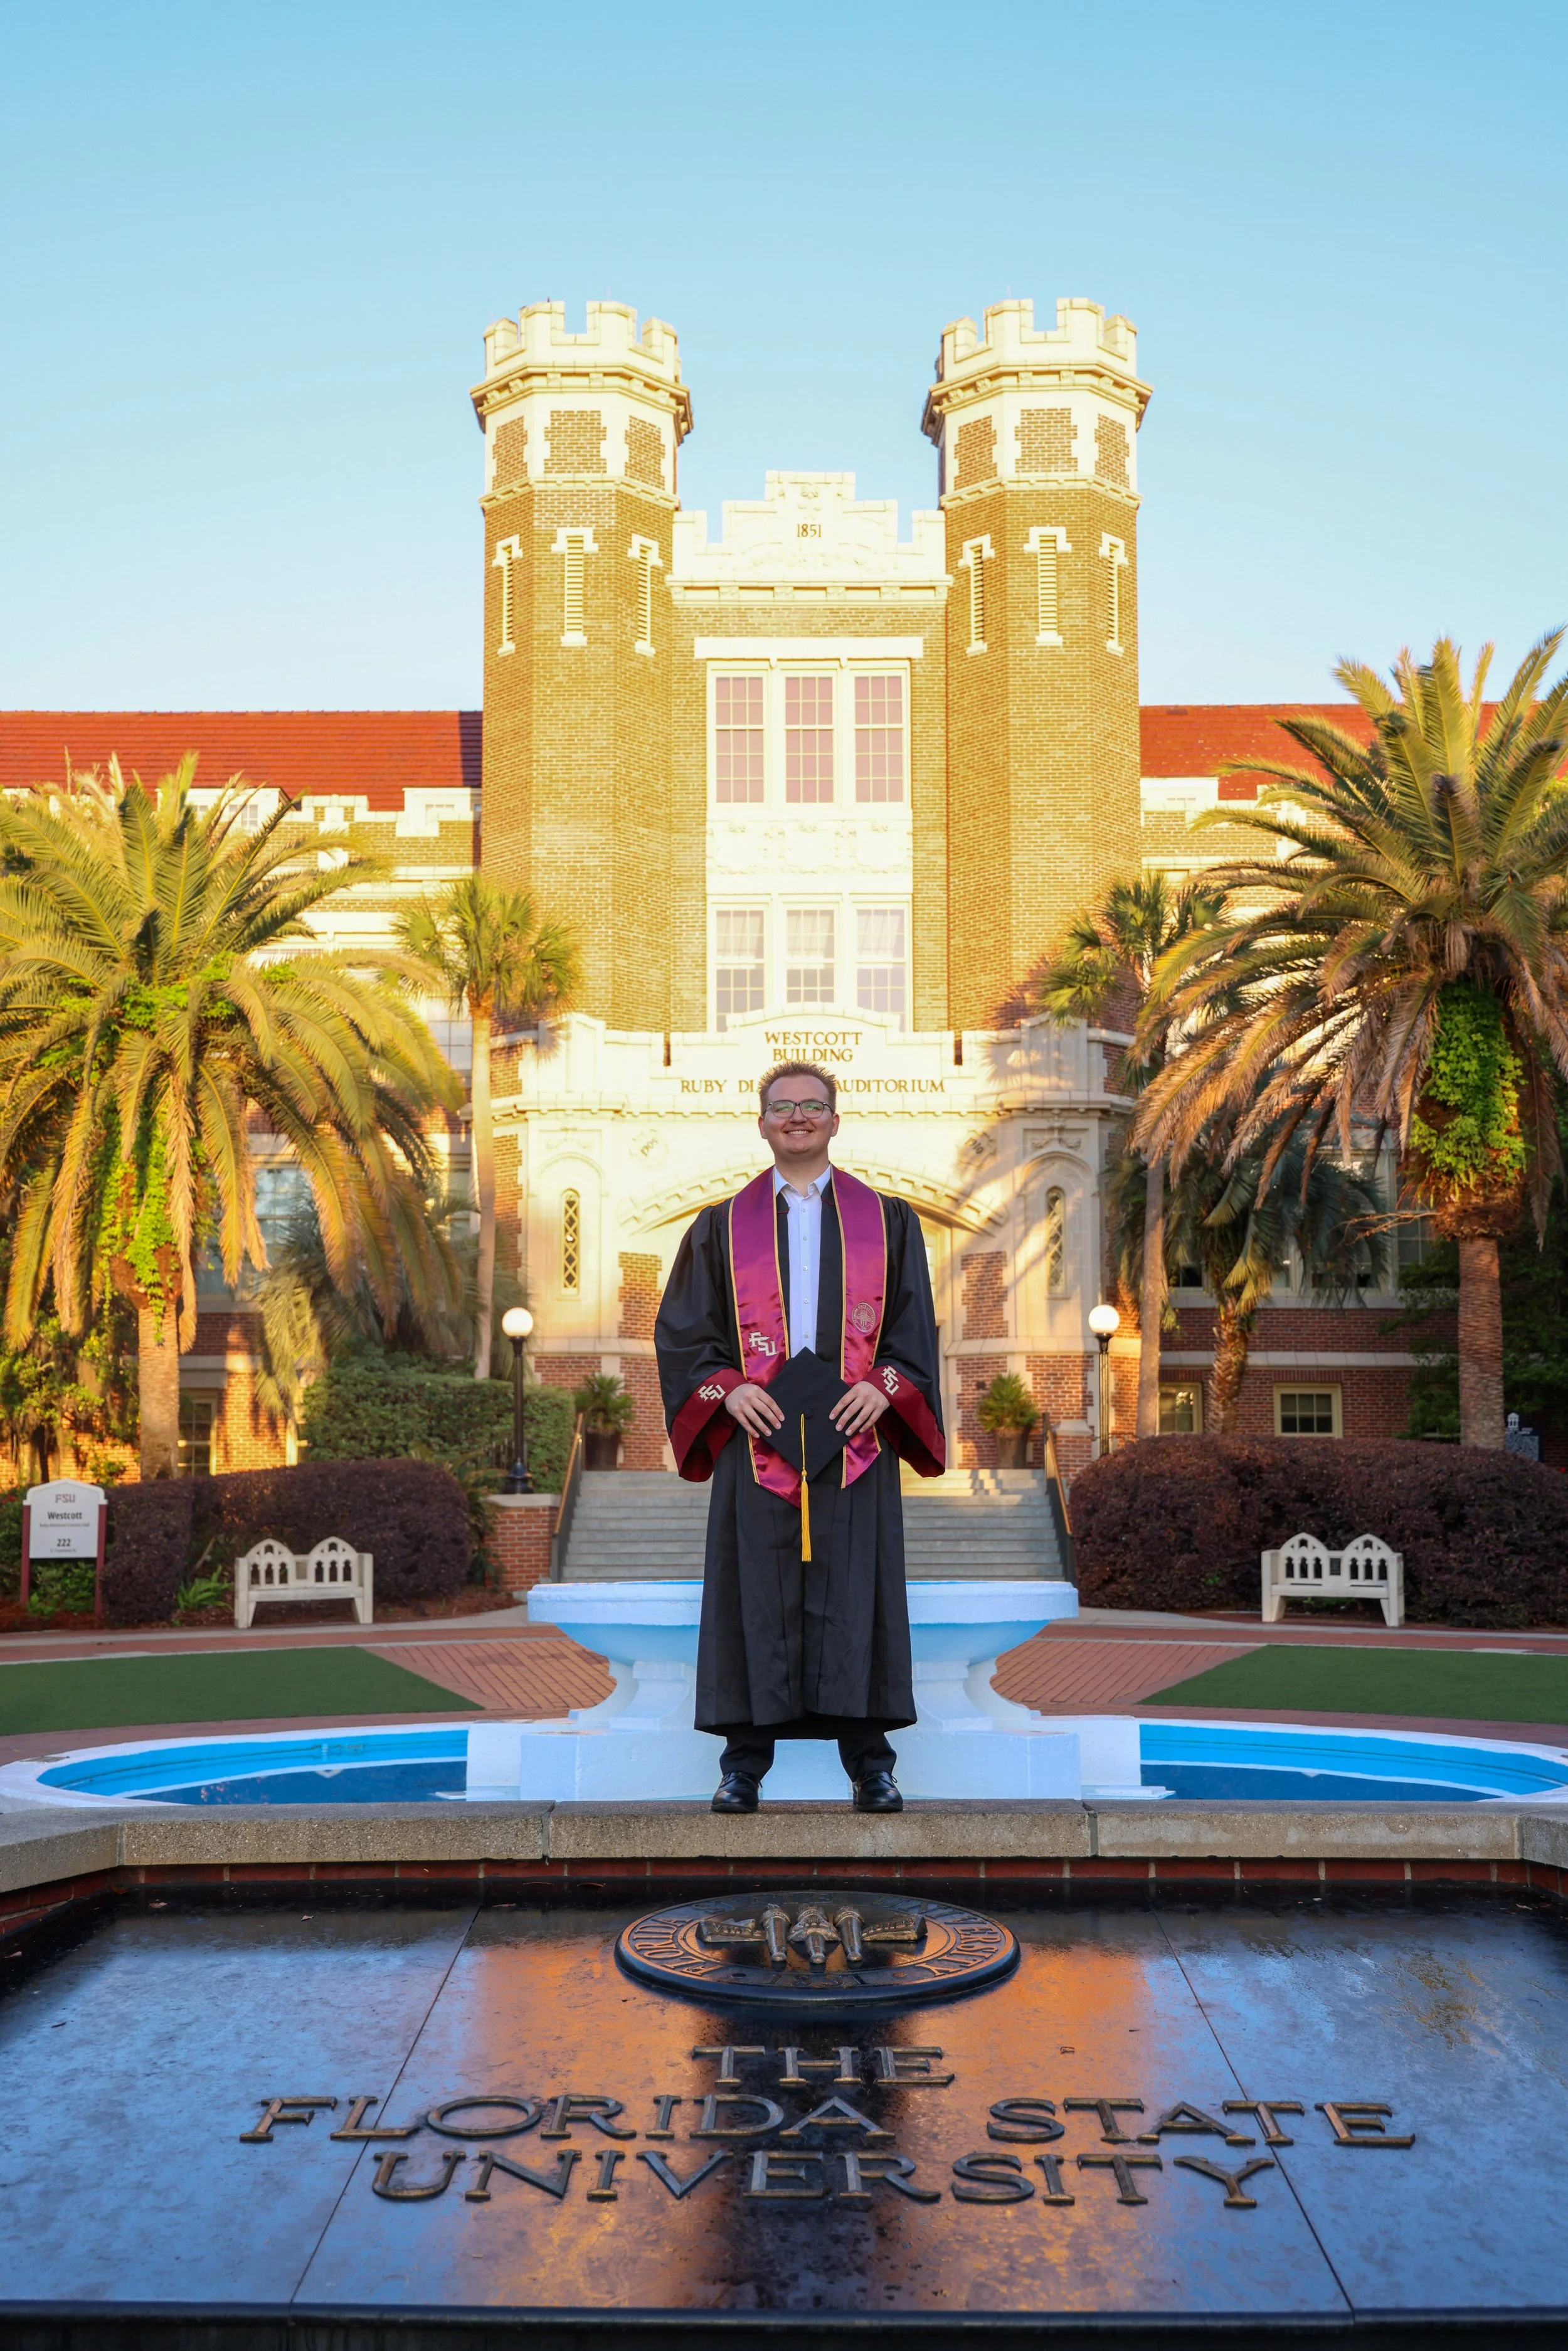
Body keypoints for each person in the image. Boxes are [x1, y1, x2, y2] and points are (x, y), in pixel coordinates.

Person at [654, 1058, 945, 1813]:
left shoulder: (889, 1219)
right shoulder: (721, 1224)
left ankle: (870, 1766)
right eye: (782, 1106)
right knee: (753, 1596)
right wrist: (731, 1388)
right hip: (759, 1444)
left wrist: (882, 1390)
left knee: (859, 1596)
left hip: (856, 1442)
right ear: (762, 1122)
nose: (797, 1117)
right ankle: (742, 1765)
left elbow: (913, 1333)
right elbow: (688, 1336)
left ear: (835, 1120)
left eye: (812, 1105)